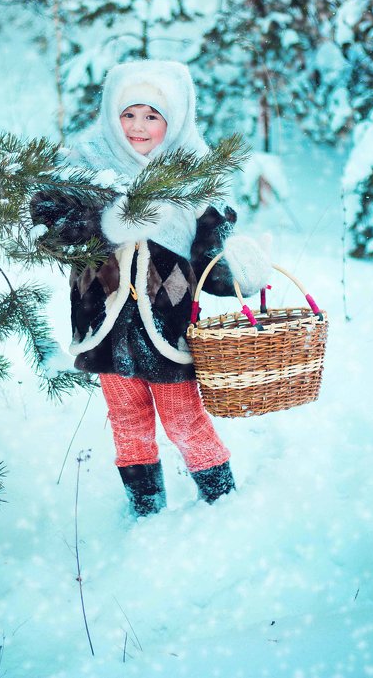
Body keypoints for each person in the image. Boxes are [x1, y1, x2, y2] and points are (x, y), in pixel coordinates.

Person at [30, 60, 271, 517]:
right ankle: (146, 508)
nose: (138, 127)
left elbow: (209, 259)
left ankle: (222, 503)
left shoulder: (191, 175)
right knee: (127, 420)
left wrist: (238, 273)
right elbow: (49, 227)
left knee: (183, 418)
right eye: (128, 114)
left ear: (174, 119)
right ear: (110, 114)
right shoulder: (85, 167)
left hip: (169, 324)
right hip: (102, 319)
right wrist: (104, 223)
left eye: (152, 116)